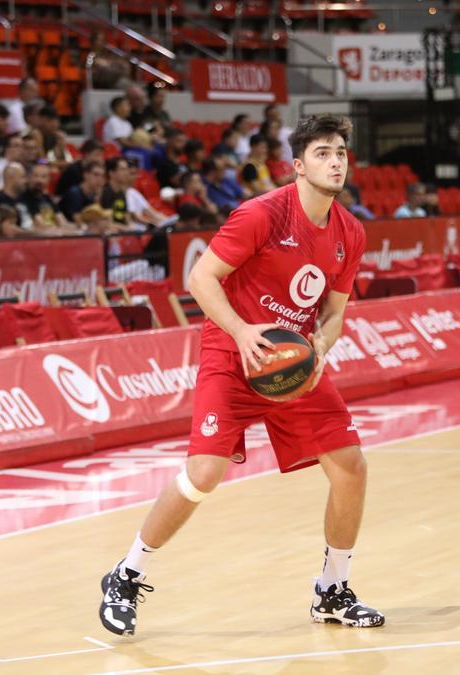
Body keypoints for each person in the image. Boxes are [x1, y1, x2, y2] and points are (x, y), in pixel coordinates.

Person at [97, 114, 381, 637]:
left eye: (341, 152)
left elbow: (335, 311)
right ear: (298, 166)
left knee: (351, 466)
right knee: (203, 475)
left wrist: (320, 344)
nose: (335, 161)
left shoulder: (350, 232)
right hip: (232, 353)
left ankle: (333, 590)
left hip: (290, 363)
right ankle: (126, 573)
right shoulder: (263, 214)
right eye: (323, 153)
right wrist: (243, 331)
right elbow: (200, 278)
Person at [61, 160, 106, 225]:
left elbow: (97, 217)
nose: (99, 179)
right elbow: (78, 221)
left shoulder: (94, 194)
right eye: (96, 175)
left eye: (102, 176)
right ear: (85, 175)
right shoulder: (74, 192)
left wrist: (98, 197)